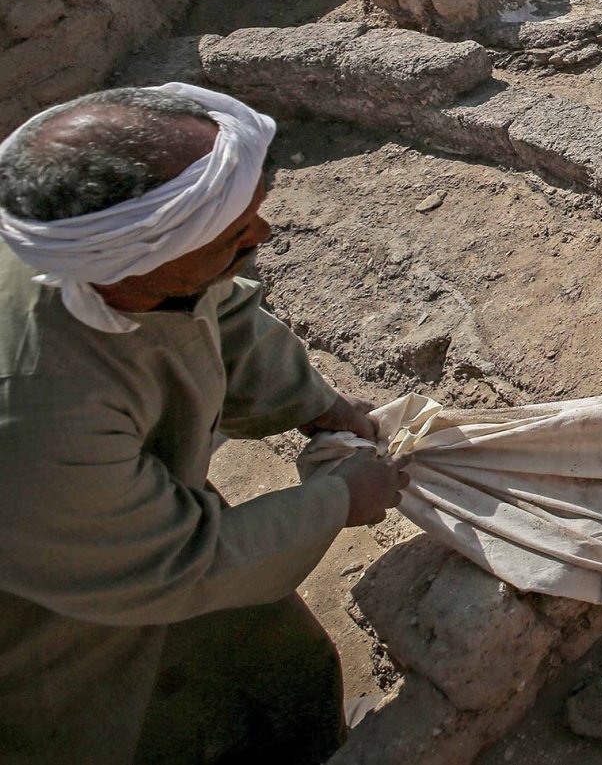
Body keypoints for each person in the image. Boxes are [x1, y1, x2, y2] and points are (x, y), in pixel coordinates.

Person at [0, 84, 408, 765]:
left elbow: (218, 308)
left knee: (270, 667)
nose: (263, 237)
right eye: (236, 234)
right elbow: (187, 563)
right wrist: (340, 498)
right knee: (110, 727)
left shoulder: (131, 259)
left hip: (132, 516)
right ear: (137, 265)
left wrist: (315, 403)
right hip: (56, 614)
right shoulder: (36, 415)